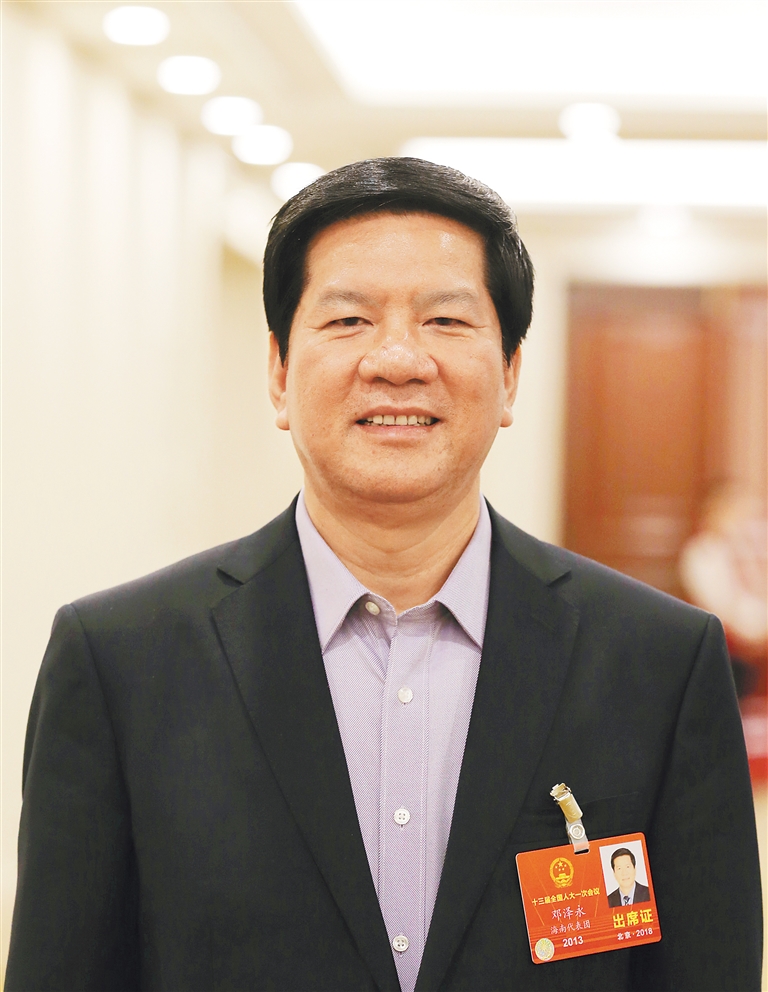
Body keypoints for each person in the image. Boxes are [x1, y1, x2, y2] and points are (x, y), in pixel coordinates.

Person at [6, 158, 762, 992]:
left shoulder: (658, 662)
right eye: (349, 320)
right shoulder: (120, 662)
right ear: (279, 373)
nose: (398, 360)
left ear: (510, 374)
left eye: (445, 320)